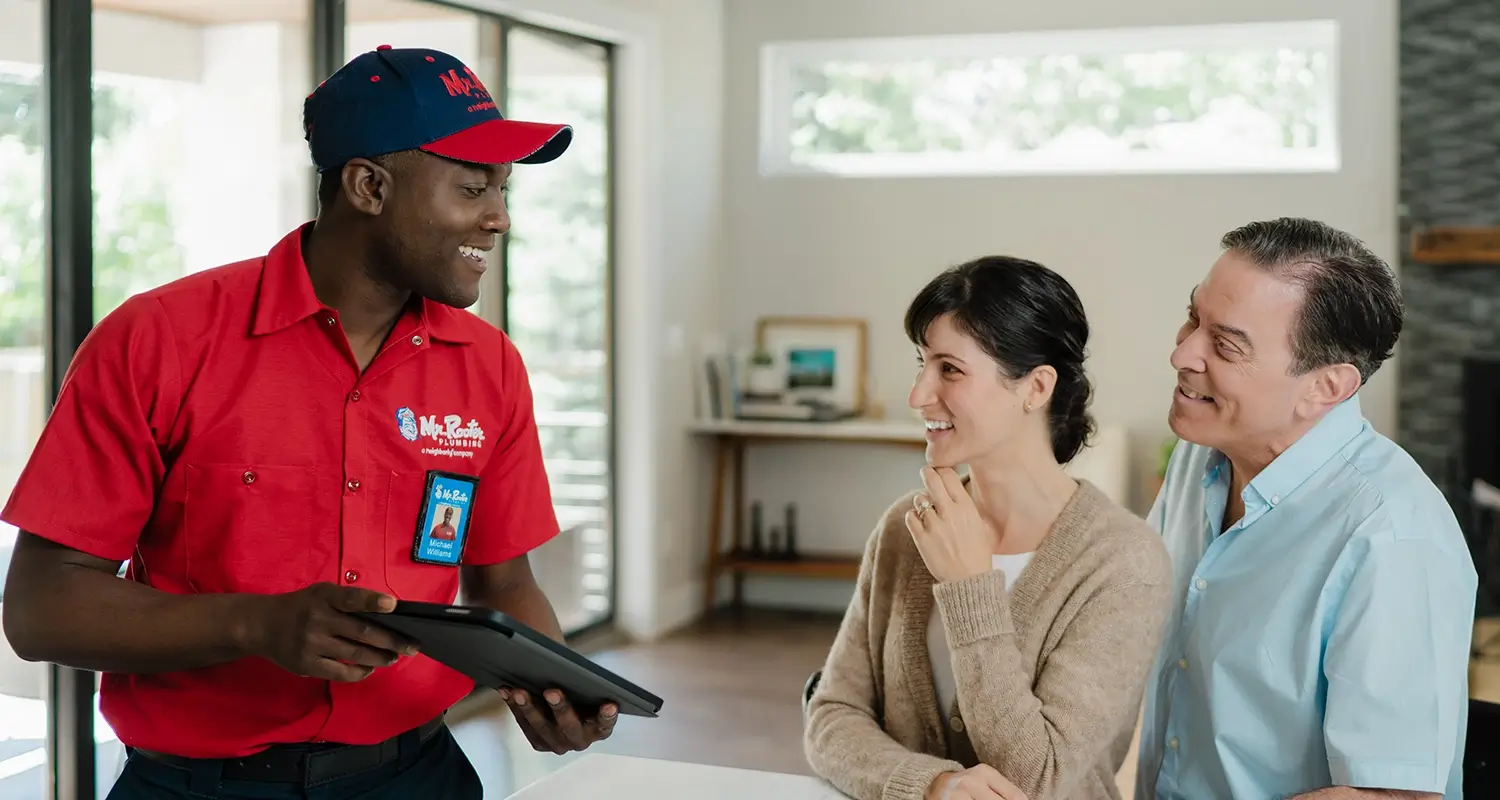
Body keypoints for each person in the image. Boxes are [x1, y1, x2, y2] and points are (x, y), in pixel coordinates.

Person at [0, 46, 614, 800]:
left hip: (421, 776)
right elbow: (39, 610)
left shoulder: (490, 367)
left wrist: (552, 685)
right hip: (197, 788)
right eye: (471, 187)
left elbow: (505, 583)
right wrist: (255, 626)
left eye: (502, 189)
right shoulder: (157, 340)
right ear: (368, 186)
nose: (499, 218)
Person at [803, 256, 1175, 800]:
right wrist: (934, 785)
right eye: (922, 363)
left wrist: (969, 589)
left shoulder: (1124, 562)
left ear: (1035, 387)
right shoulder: (906, 528)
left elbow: (1039, 778)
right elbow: (832, 714)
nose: (918, 395)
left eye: (949, 369)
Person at [1134, 217, 1478, 800]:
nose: (1181, 353)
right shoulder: (1201, 458)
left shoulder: (1392, 537)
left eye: (1224, 345)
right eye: (1194, 317)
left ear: (1325, 388)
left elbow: (1389, 796)